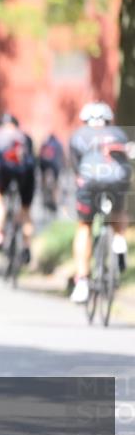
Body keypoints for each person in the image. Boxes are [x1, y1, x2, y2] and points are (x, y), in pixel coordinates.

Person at [69, 102, 131, 303]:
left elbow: (76, 166)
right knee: (119, 209)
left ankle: (82, 283)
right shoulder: (119, 133)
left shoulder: (79, 135)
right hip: (117, 181)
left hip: (89, 182)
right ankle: (119, 241)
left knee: (84, 226)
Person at [0, 114, 36, 261]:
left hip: (5, 173)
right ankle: (27, 246)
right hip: (26, 175)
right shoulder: (25, 137)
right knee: (25, 209)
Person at [38, 132, 65, 213]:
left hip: (44, 163)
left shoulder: (45, 143)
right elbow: (62, 156)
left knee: (43, 177)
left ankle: (43, 190)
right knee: (56, 182)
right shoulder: (58, 144)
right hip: (55, 165)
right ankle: (54, 199)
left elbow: (40, 155)